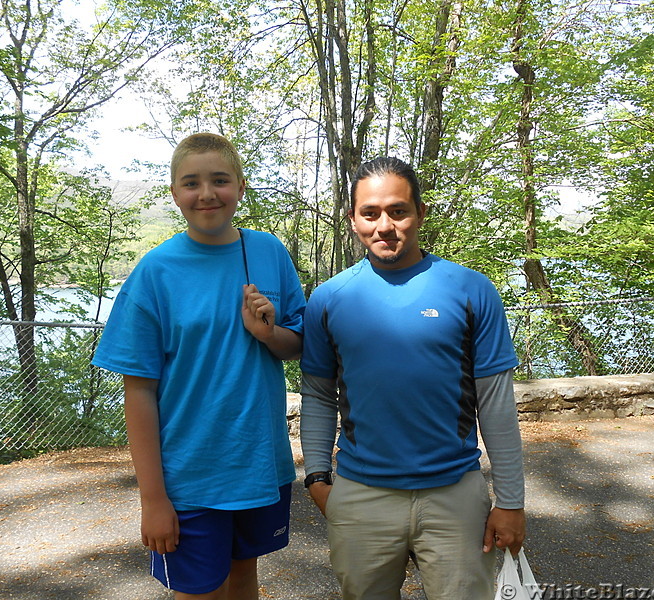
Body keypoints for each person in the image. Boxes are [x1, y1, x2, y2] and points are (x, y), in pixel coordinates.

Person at [300, 156, 525, 600]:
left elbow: (495, 402)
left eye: (398, 210)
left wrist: (511, 503)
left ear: (419, 213)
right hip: (361, 497)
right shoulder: (328, 299)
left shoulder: (470, 289)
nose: (385, 225)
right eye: (371, 213)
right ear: (353, 219)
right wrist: (318, 479)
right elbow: (319, 395)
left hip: (454, 496)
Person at [92, 132, 305, 600]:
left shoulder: (269, 252)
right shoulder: (156, 272)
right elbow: (139, 392)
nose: (207, 193)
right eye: (191, 183)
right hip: (189, 479)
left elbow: (296, 346)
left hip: (258, 467)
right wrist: (153, 500)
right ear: (175, 193)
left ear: (241, 187)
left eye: (220, 180)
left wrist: (268, 333)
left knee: (243, 580)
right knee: (199, 591)